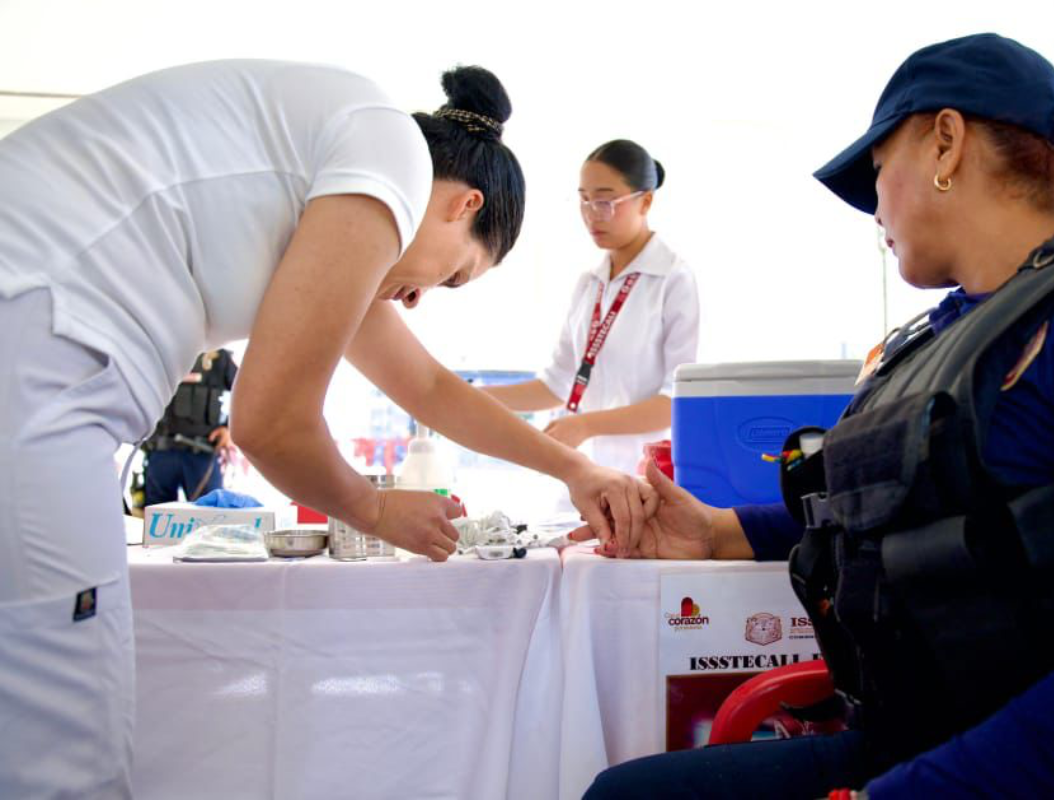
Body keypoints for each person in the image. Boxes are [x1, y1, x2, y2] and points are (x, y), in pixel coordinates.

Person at [580, 33, 1054, 799]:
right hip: (934, 733)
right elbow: (935, 515)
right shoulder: (953, 334)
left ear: (945, 143)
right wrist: (718, 532)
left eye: (879, 172)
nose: (876, 207)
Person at [0, 60, 650, 797]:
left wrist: (577, 470)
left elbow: (432, 386)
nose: (418, 301)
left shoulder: (341, 171)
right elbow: (270, 422)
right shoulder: (389, 160)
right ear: (463, 204)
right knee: (64, 733)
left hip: (35, 340)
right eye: (456, 276)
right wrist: (374, 509)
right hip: (32, 345)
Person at [483, 139, 700, 476]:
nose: (592, 215)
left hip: (647, 476)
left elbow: (676, 402)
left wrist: (586, 425)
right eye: (584, 200)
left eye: (605, 201)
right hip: (582, 474)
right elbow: (557, 384)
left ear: (645, 201)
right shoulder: (590, 283)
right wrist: (473, 398)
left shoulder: (673, 279)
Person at [141, 348, 239, 507]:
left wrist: (229, 429)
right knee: (155, 519)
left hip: (202, 453)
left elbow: (246, 391)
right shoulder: (158, 352)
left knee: (210, 518)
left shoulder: (218, 357)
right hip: (161, 452)